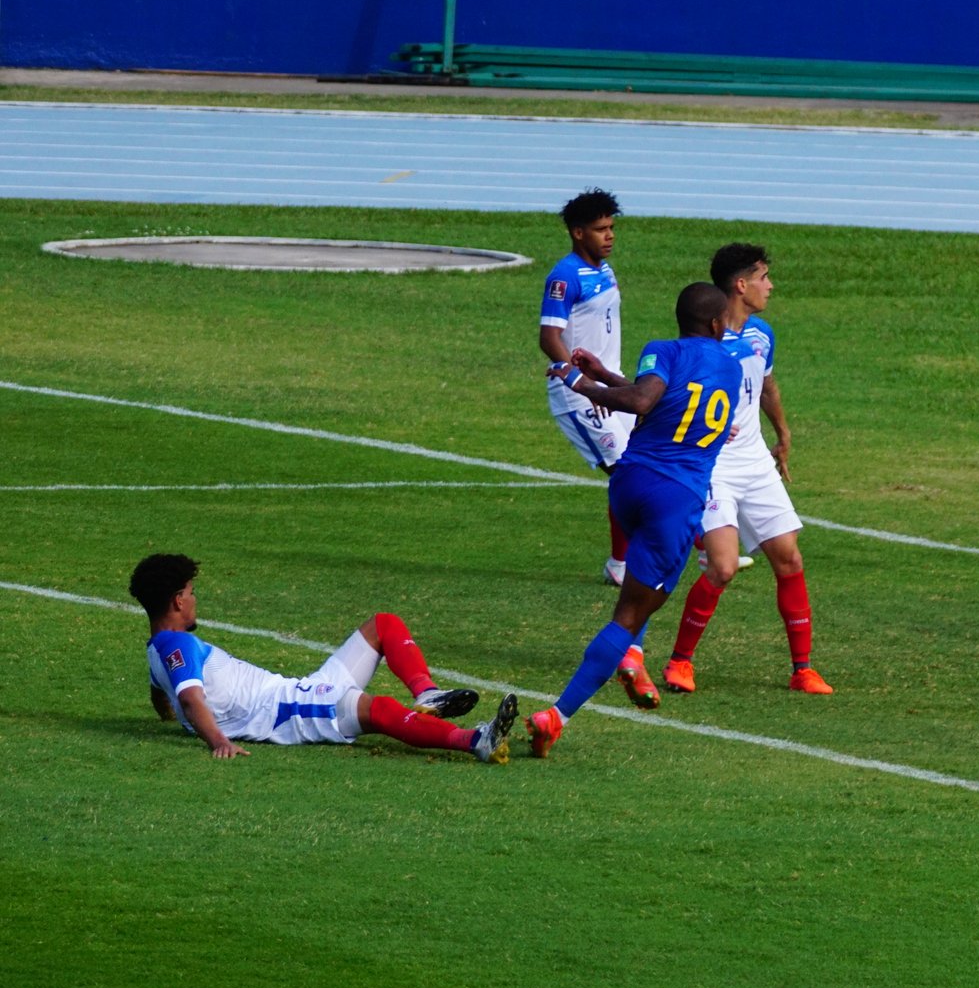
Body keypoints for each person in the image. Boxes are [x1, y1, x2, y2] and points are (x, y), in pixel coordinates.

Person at [526, 282, 744, 757]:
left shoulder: (660, 350)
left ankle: (629, 654)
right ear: (715, 323)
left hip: (629, 483)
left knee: (635, 588)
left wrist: (601, 376)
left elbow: (651, 395)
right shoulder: (731, 366)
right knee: (631, 614)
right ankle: (557, 715)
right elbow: (648, 401)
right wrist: (584, 383)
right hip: (677, 498)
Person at [130, 553, 518, 763]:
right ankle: (475, 741)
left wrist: (175, 721)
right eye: (192, 592)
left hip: (296, 690)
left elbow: (162, 696)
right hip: (286, 710)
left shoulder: (158, 650)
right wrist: (217, 740)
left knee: (383, 626)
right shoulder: (176, 645)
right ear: (178, 600)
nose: (196, 599)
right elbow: (188, 698)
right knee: (376, 709)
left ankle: (428, 694)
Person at [661, 243, 832, 697]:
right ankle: (679, 662)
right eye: (763, 277)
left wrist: (782, 434)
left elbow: (768, 385)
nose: (770, 286)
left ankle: (803, 670)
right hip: (712, 466)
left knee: (789, 557)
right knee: (722, 567)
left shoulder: (761, 335)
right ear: (741, 285)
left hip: (755, 463)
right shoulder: (702, 341)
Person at [540, 188, 632, 586]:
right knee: (628, 475)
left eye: (612, 227)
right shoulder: (565, 276)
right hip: (581, 398)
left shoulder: (604, 271)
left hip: (612, 388)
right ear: (578, 233)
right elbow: (549, 336)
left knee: (641, 468)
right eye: (600, 229)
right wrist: (579, 380)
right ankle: (623, 564)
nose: (609, 235)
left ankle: (631, 560)